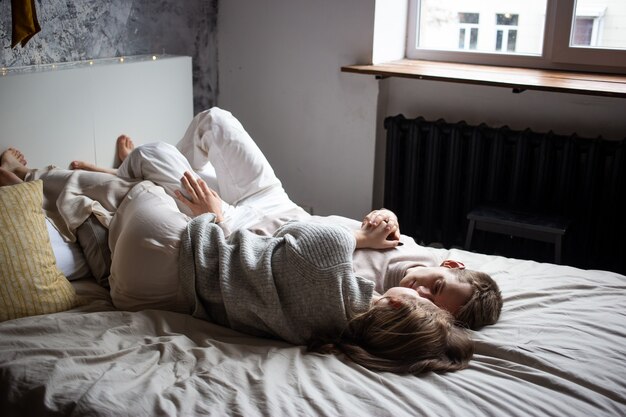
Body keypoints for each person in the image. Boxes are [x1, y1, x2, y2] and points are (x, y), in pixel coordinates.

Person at [1, 146, 474, 375]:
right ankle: (56, 194)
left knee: (138, 189)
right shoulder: (326, 335)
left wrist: (360, 238)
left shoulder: (332, 259)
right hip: (145, 294)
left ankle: (27, 181)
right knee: (110, 223)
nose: (416, 292)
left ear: (393, 310)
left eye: (423, 304)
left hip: (170, 248)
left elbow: (284, 235)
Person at [68, 107, 503, 330]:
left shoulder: (379, 304)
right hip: (278, 203)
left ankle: (128, 171)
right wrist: (383, 215)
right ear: (450, 264)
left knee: (152, 153)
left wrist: (219, 219)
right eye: (437, 284)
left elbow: (285, 263)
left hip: (244, 226)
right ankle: (134, 172)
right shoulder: (416, 249)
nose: (421, 290)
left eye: (431, 301)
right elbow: (380, 225)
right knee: (215, 121)